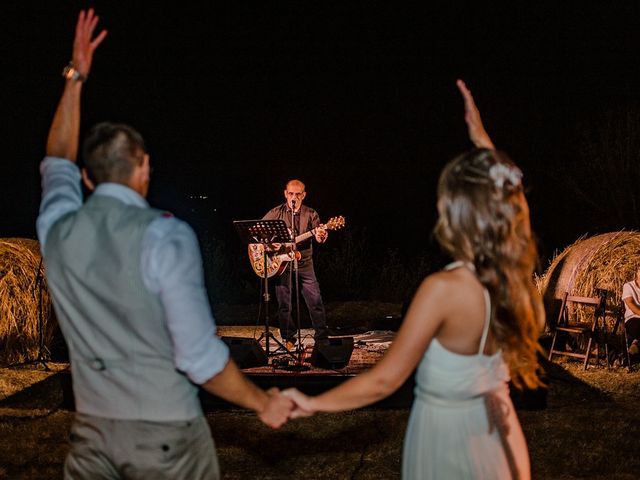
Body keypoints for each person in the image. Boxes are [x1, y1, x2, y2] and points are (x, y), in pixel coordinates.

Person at [36, 10, 292, 479]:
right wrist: (262, 401)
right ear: (145, 167)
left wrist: (75, 78)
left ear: (87, 177)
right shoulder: (165, 235)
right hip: (165, 434)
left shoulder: (55, 227)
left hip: (92, 432)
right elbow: (197, 356)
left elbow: (55, 160)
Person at [283, 80, 545, 480]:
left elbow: (384, 379)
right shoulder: (514, 283)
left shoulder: (443, 290)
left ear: (453, 213)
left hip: (451, 444)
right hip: (500, 441)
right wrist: (484, 143)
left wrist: (310, 404)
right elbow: (514, 204)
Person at [262, 179, 330, 348]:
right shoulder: (275, 213)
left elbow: (320, 236)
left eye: (298, 194)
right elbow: (258, 233)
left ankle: (321, 338)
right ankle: (288, 337)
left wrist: (321, 235)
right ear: (285, 194)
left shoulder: (311, 214)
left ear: (303, 195)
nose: (294, 197)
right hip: (281, 264)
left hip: (304, 262)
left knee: (315, 300)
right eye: (291, 193)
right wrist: (270, 244)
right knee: (284, 303)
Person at [621, 267, 640, 357]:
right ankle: (636, 343)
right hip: (632, 319)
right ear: (637, 272)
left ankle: (636, 343)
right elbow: (630, 304)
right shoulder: (628, 286)